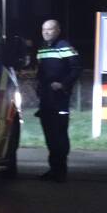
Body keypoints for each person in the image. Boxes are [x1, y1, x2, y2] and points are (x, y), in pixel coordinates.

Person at [35, 19, 82, 182]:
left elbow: (76, 69)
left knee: (60, 135)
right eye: (43, 30)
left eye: (50, 29)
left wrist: (63, 84)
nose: (46, 32)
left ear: (58, 30)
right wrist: (39, 86)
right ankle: (53, 169)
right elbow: (41, 71)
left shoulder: (65, 46)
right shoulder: (42, 48)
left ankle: (61, 170)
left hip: (60, 98)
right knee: (49, 135)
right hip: (46, 99)